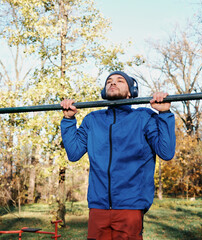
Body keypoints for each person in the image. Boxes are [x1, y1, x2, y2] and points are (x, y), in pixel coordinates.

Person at [60, 71, 176, 240]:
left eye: (120, 81)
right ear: (104, 91)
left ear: (130, 92)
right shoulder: (92, 119)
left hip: (130, 205)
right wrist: (69, 120)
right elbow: (74, 153)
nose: (113, 83)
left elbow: (166, 152)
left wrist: (164, 114)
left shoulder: (143, 117)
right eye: (109, 81)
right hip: (98, 206)